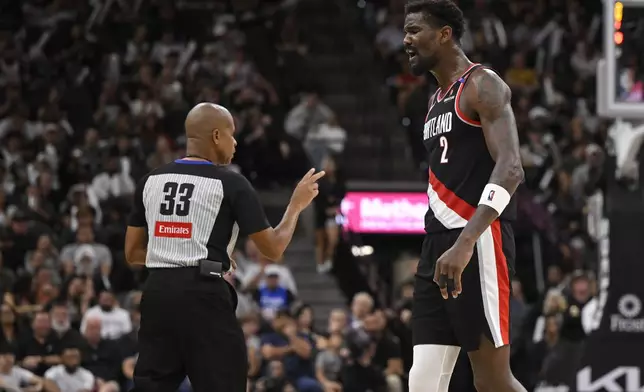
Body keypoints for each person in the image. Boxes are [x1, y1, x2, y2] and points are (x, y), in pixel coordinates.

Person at [124, 102, 325, 392]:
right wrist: (295, 206)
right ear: (216, 136)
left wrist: (177, 254)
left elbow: (132, 252)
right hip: (204, 294)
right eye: (231, 135)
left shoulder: (149, 181)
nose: (235, 143)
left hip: (157, 292)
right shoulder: (231, 184)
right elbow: (273, 249)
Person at [402, 1, 527, 392]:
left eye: (414, 30)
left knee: (491, 380)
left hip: (477, 239)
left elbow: (511, 169)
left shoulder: (482, 84)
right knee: (422, 380)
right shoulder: (435, 98)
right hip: (437, 243)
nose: (406, 40)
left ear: (445, 34)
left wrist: (466, 241)